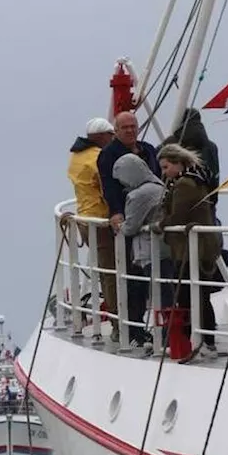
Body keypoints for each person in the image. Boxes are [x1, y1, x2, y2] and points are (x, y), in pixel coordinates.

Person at [97, 111, 160, 341]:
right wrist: (116, 213)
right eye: (125, 127)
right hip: (129, 218)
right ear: (116, 130)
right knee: (131, 277)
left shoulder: (149, 150)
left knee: (152, 279)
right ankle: (132, 328)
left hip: (151, 221)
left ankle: (149, 326)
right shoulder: (108, 155)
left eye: (133, 126)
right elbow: (109, 186)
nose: (131, 130)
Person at [156, 143, 222, 355]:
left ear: (178, 163)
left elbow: (179, 215)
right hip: (201, 246)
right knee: (199, 293)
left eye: (166, 167)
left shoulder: (185, 184)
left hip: (192, 248)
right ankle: (204, 339)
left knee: (188, 295)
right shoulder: (196, 178)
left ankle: (196, 339)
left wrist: (160, 224)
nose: (164, 173)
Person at [114, 153, 166, 351]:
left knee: (152, 294)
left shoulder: (137, 195)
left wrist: (120, 225)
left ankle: (157, 338)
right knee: (164, 294)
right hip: (166, 249)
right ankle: (166, 335)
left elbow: (130, 227)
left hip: (148, 252)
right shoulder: (160, 187)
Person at [66, 117, 116, 324]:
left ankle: (113, 309)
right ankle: (117, 317)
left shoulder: (76, 157)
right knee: (112, 271)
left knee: (103, 270)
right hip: (100, 220)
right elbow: (107, 185)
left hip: (85, 219)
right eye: (111, 135)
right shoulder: (97, 157)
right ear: (103, 136)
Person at [163, 108, 220, 206]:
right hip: (205, 199)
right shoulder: (211, 147)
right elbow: (215, 177)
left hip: (177, 197)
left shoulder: (171, 144)